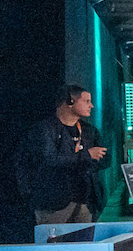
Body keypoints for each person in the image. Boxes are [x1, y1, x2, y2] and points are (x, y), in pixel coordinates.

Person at [21, 84, 107, 225]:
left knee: (85, 245)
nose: (91, 106)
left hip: (85, 200)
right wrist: (86, 156)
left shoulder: (89, 131)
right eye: (86, 101)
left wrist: (87, 162)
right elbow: (48, 160)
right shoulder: (44, 130)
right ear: (69, 102)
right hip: (54, 203)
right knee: (54, 245)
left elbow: (104, 158)